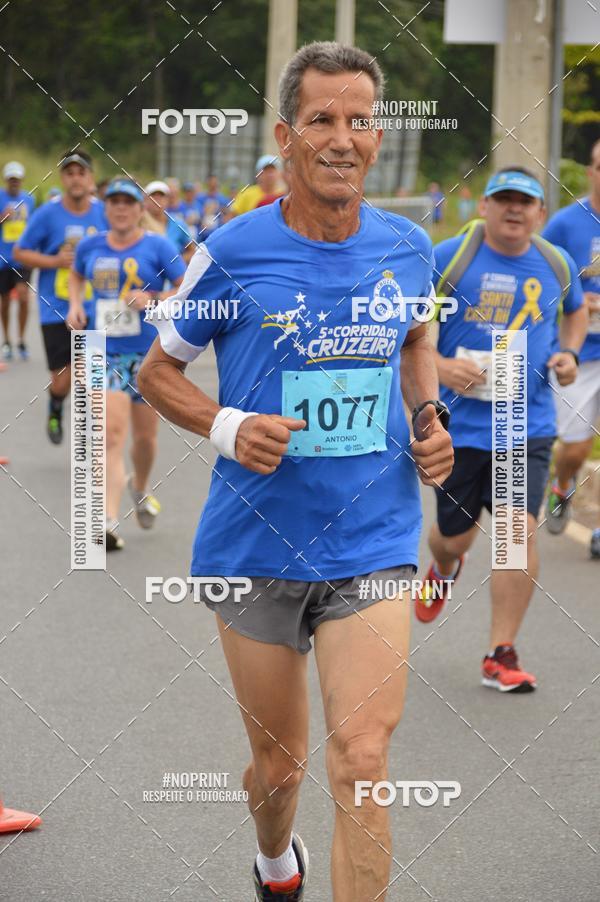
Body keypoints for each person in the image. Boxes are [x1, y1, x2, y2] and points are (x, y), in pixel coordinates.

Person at [139, 41, 453, 901]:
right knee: (279, 771)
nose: (343, 138)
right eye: (322, 120)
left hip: (374, 541)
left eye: (360, 121)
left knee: (362, 758)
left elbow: (417, 338)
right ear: (286, 136)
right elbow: (155, 372)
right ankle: (275, 859)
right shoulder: (232, 251)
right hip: (255, 546)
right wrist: (229, 423)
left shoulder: (410, 246)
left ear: (379, 138)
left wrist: (428, 416)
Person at [415, 166, 588, 692]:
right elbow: (411, 329)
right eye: (504, 199)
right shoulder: (449, 259)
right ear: (484, 206)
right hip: (457, 429)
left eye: (525, 202)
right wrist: (442, 370)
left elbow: (575, 315)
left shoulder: (556, 263)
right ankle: (443, 566)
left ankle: (501, 652)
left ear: (539, 213)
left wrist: (568, 354)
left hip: (523, 424)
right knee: (454, 536)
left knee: (517, 534)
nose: (514, 209)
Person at [67, 178, 185, 551]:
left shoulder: (159, 245)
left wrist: (153, 298)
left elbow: (186, 287)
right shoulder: (90, 246)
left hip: (148, 355)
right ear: (106, 208)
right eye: (113, 202)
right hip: (101, 350)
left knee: (145, 438)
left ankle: (140, 487)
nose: (120, 208)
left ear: (139, 209)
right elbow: (74, 274)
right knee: (108, 435)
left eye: (127, 203)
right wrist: (74, 305)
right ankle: (105, 519)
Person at [14, 150, 106, 444]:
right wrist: (54, 262)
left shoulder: (105, 211)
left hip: (95, 307)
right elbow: (20, 252)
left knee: (90, 373)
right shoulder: (47, 214)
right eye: (70, 173)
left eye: (81, 173)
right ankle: (56, 405)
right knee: (62, 378)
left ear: (90, 177)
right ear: (62, 178)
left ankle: (93, 438)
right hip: (55, 309)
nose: (76, 178)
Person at [542, 139, 600, 558]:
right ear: (591, 171)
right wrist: (578, 298)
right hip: (581, 352)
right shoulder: (565, 224)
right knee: (576, 448)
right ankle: (562, 484)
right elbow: (536, 272)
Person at [0, 161, 35, 360]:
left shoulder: (29, 199)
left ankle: (21, 340)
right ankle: (6, 340)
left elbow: (33, 227)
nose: (14, 182)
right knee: (4, 301)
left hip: (22, 256)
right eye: (11, 179)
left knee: (23, 297)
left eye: (17, 179)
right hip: (2, 258)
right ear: (6, 180)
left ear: (21, 180)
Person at [142, 180, 194, 262]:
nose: (157, 200)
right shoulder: (138, 224)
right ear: (145, 201)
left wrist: (176, 263)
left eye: (161, 196)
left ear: (168, 200)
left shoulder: (178, 224)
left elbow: (191, 250)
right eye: (153, 197)